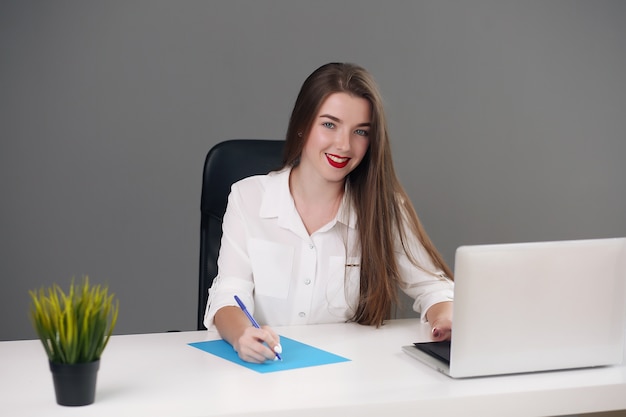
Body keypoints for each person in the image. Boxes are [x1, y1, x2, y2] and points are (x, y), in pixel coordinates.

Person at [204, 62, 454, 363]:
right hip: (260, 373)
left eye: (360, 131)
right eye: (329, 125)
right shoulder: (248, 197)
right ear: (302, 124)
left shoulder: (381, 209)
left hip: (342, 382)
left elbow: (436, 287)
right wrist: (242, 334)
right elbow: (228, 295)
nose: (344, 145)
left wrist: (444, 318)